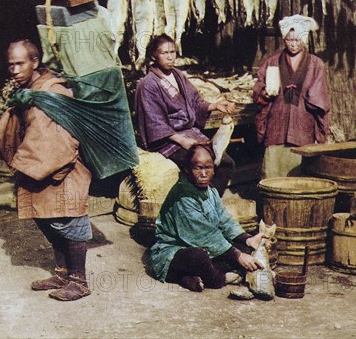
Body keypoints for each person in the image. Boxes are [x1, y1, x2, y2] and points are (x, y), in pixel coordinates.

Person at [0, 39, 92, 301]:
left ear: (35, 62)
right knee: (48, 221)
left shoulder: (53, 93)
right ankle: (62, 273)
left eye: (21, 63)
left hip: (63, 169)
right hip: (39, 167)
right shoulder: (27, 92)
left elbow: (58, 139)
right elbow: (10, 128)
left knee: (70, 222)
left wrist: (23, 163)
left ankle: (80, 280)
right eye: (11, 65)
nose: (15, 70)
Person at [149, 144, 266, 292]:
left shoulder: (210, 191)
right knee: (199, 257)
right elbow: (204, 234)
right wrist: (237, 256)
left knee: (245, 249)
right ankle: (217, 279)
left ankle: (191, 277)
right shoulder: (183, 196)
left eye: (208, 168)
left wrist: (247, 238)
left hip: (204, 246)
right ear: (187, 169)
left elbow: (224, 220)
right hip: (175, 250)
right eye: (198, 168)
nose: (204, 173)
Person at [135, 34, 236, 197]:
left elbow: (195, 101)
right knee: (200, 164)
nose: (170, 57)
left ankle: (210, 203)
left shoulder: (178, 75)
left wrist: (215, 105)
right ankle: (196, 205)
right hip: (167, 139)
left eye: (173, 52)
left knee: (225, 163)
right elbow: (154, 122)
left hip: (190, 133)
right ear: (154, 55)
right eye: (164, 53)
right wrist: (182, 141)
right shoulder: (148, 84)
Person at [252, 15, 331, 178]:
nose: (294, 44)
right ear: (284, 39)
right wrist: (264, 94)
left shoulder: (316, 64)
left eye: (298, 40)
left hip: (303, 123)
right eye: (289, 40)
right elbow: (259, 87)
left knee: (299, 174)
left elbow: (319, 97)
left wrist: (309, 97)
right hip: (277, 122)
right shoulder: (272, 62)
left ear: (305, 39)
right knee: (273, 172)